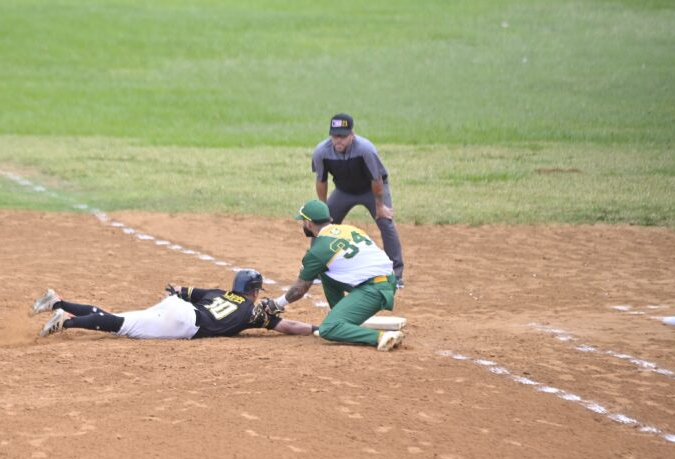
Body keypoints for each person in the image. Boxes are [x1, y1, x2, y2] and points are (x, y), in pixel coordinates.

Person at [264, 199, 404, 352]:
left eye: (303, 221)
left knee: (328, 329)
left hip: (375, 290)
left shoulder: (317, 251)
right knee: (326, 273)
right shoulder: (349, 229)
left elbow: (299, 289)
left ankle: (379, 337)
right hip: (389, 280)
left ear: (309, 223)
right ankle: (343, 318)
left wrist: (276, 304)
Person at [31, 269, 316, 340]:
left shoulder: (217, 292)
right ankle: (64, 321)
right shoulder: (254, 312)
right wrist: (315, 329)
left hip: (177, 307)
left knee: (117, 317)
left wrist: (177, 289)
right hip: (183, 324)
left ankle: (58, 302)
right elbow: (289, 325)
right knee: (120, 326)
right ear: (254, 292)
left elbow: (182, 289)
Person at [312, 113, 405, 286]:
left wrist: (380, 206)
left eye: (343, 136)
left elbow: (376, 180)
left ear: (352, 135)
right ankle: (316, 269)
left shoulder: (365, 149)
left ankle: (396, 274)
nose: (338, 140)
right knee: (321, 224)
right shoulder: (322, 152)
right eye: (335, 135)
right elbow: (321, 181)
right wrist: (323, 209)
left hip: (372, 190)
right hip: (344, 190)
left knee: (385, 221)